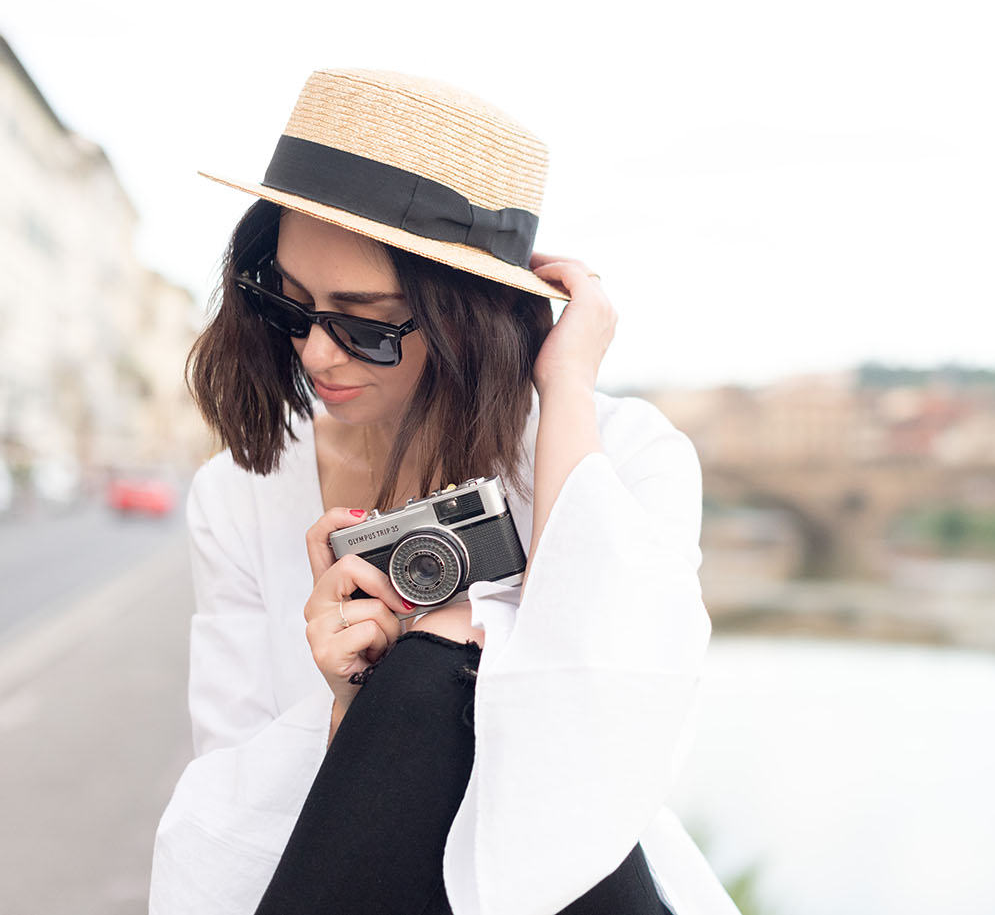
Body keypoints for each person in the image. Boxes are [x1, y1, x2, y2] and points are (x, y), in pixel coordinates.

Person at [150, 69, 740, 915]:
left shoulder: (626, 454)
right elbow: (229, 793)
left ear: (469, 314)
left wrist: (565, 385)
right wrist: (354, 704)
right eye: (291, 308)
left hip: (566, 874)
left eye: (365, 323)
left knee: (452, 661)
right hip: (336, 866)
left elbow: (614, 708)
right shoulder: (239, 493)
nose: (317, 355)